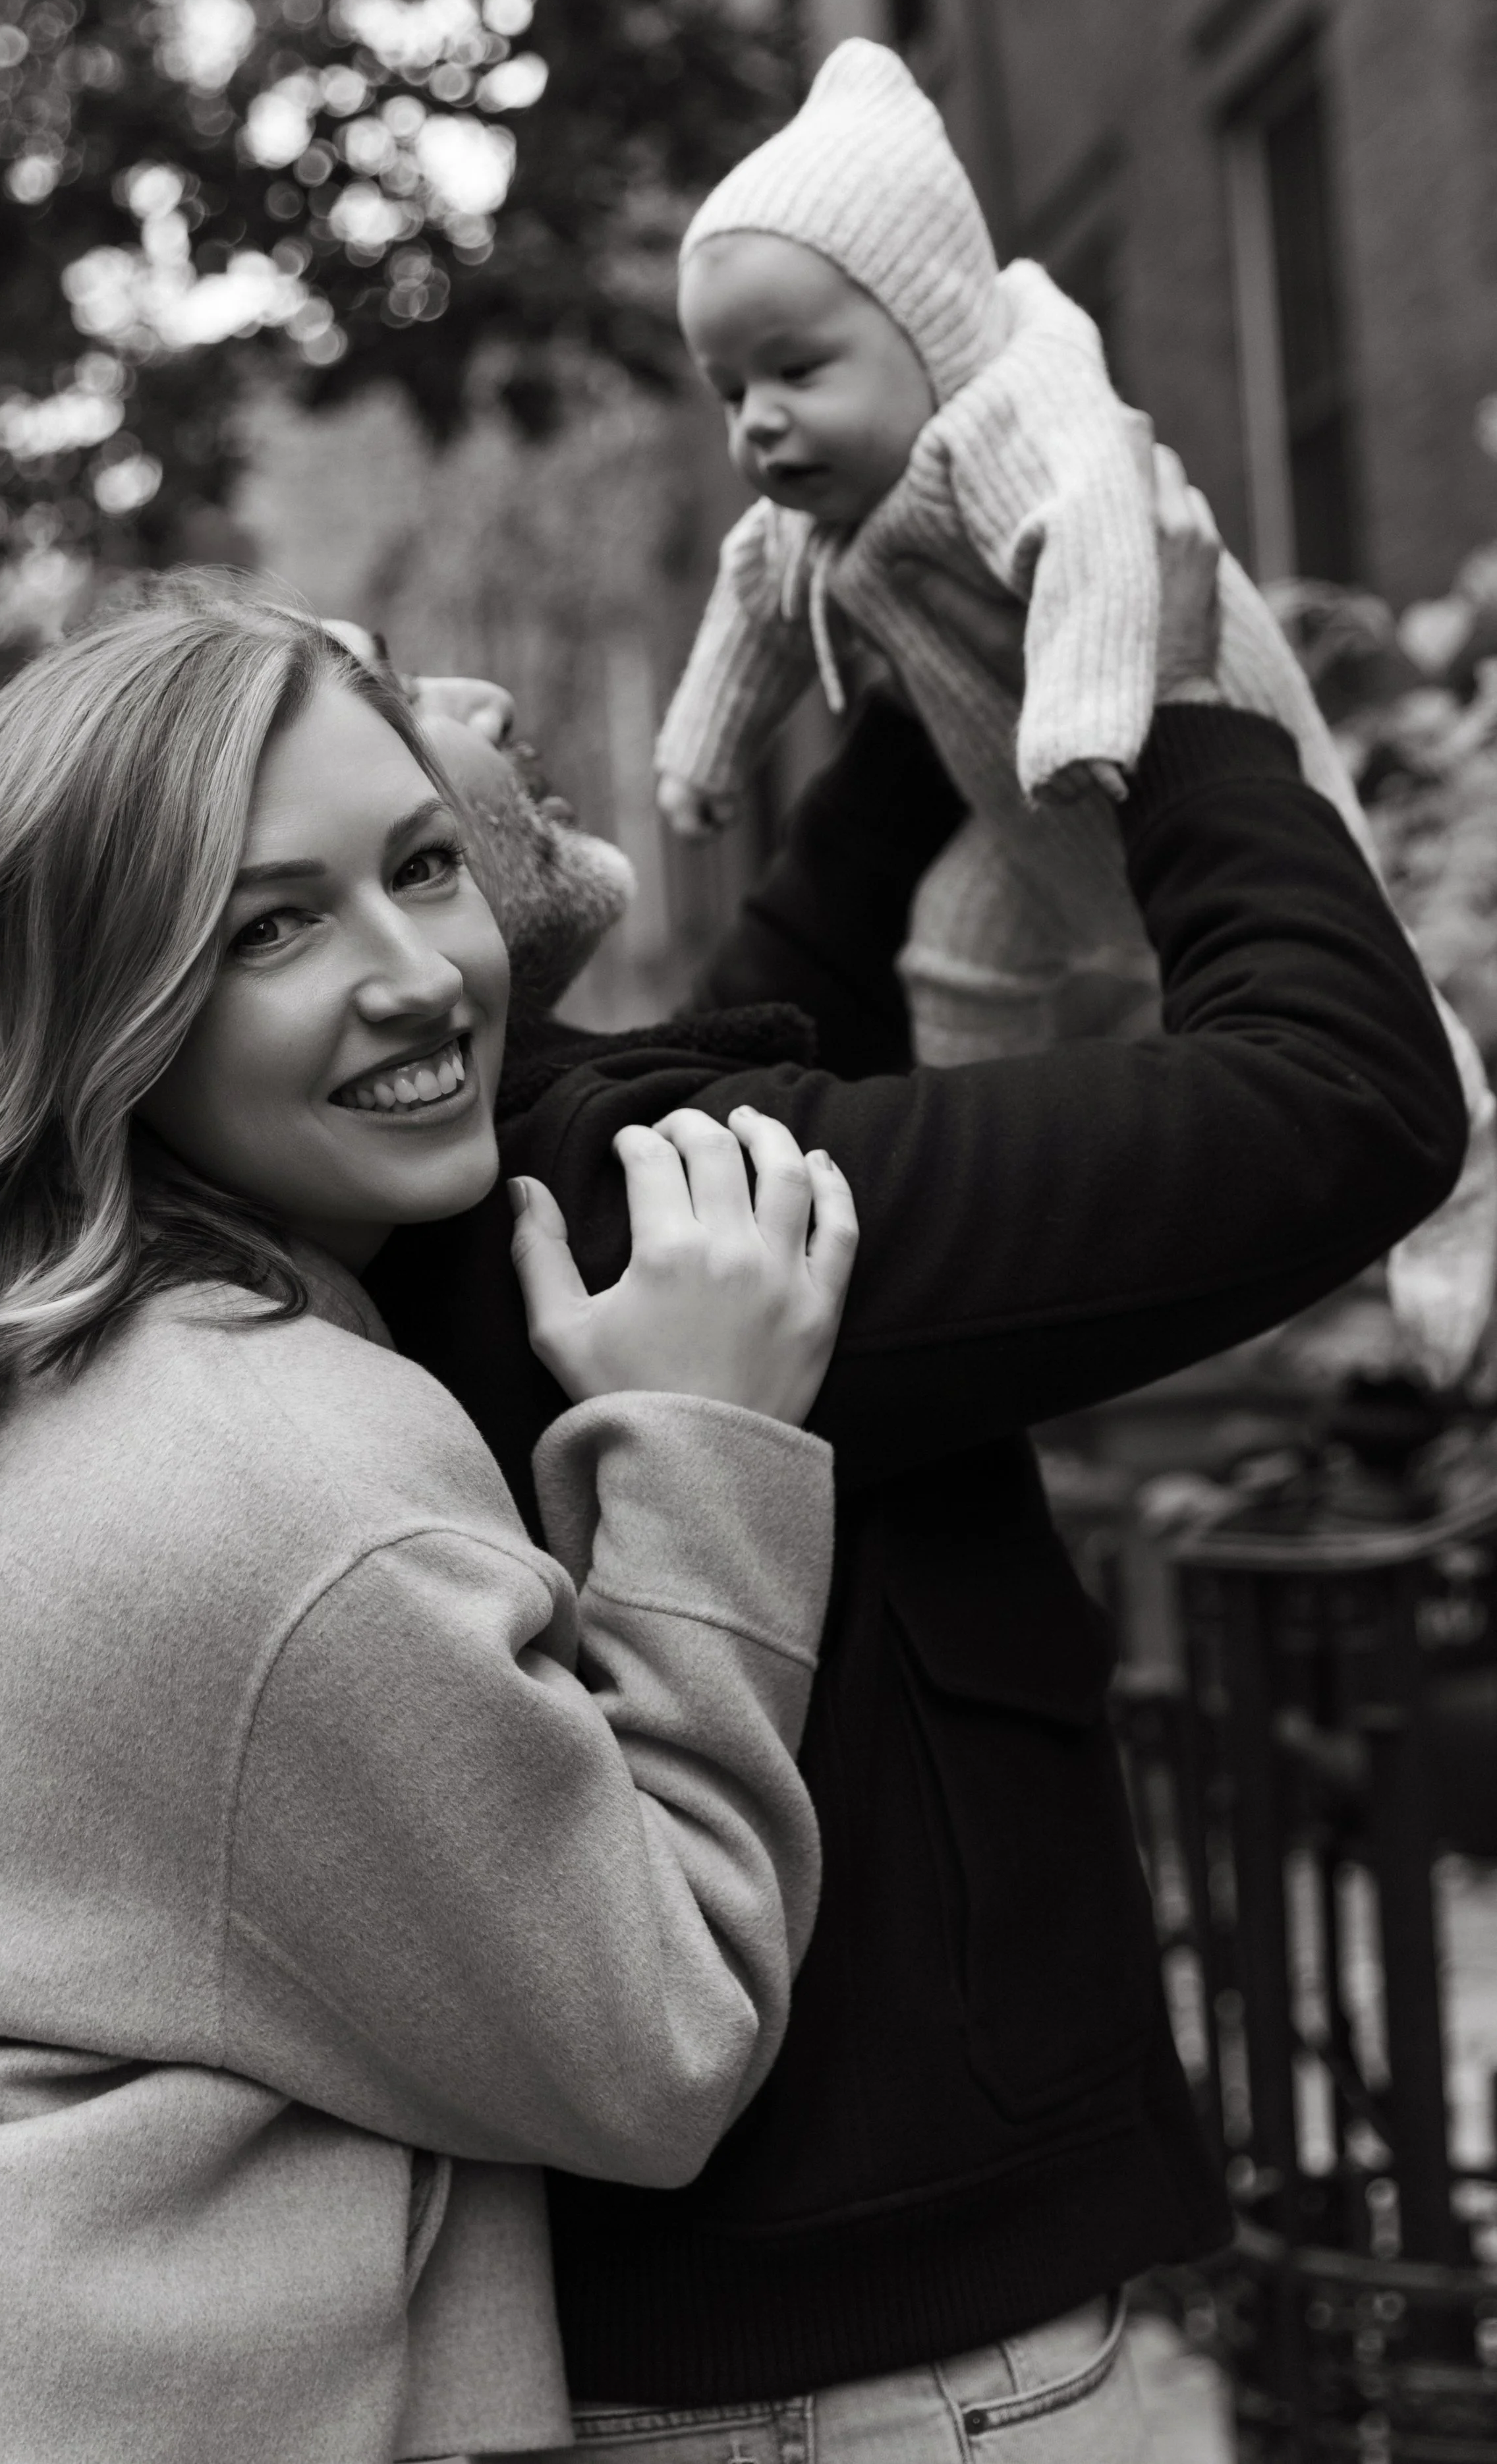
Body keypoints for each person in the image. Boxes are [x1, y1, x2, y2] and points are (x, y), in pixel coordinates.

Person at [364, 463, 1468, 2460]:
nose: (476, 693)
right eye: (397, 698)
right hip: (891, 2389)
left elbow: (754, 1023)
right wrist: (1178, 673)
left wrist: (910, 670)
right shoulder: (644, 1217)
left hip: (762, 2351)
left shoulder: (480, 1199)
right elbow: (1342, 1096)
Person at [0, 585, 862, 2464]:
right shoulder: (277, 1480)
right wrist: (705, 1439)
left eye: (424, 864)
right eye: (272, 927)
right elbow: (650, 2043)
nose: (416, 974)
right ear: (104, 1003)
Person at [651, 36, 1494, 1387]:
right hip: (1012, 804)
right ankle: (1005, 1154)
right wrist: (702, 750)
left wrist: (1090, 713)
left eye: (795, 371)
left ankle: (1463, 1162)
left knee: (1355, 953)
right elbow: (746, 603)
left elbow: (1100, 531)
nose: (757, 423)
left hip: (1163, 721)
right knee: (953, 952)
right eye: (728, 392)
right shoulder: (807, 514)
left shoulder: (1015, 421)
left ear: (927, 323)